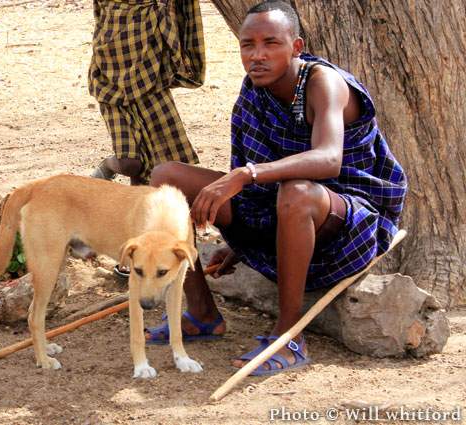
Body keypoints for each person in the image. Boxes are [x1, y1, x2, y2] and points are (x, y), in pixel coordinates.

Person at [145, 1, 406, 375]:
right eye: (247, 45)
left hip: (350, 219)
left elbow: (329, 159)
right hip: (280, 205)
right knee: (165, 177)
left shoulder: (323, 83)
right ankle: (202, 313)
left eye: (271, 43)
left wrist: (243, 175)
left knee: (296, 192)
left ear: (296, 47)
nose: (257, 55)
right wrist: (238, 243)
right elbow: (259, 182)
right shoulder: (255, 88)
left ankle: (289, 336)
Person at [88, 0, 206, 185]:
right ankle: (108, 166)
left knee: (165, 167)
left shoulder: (154, 7)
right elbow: (100, 16)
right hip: (108, 79)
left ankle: (141, 206)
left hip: (151, 74)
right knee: (130, 164)